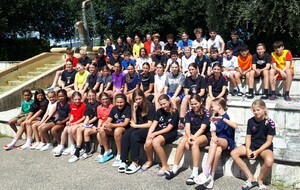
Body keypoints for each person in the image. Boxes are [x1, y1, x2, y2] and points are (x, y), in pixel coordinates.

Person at [165, 94, 210, 185]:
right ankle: (174, 169)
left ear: (201, 102)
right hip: (191, 133)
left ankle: (195, 173)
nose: (194, 106)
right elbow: (187, 128)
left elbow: (202, 129)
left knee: (195, 143)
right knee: (182, 141)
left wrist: (192, 138)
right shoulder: (188, 113)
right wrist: (189, 137)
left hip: (203, 135)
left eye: (196, 104)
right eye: (192, 104)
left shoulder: (206, 113)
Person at [231, 100, 276, 190]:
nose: (256, 112)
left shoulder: (270, 123)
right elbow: (248, 137)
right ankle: (251, 178)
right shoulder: (250, 121)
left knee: (269, 161)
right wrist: (248, 149)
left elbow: (268, 141)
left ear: (264, 109)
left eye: (258, 110)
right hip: (252, 144)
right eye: (254, 110)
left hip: (264, 147)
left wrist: (257, 152)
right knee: (234, 153)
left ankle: (260, 179)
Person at [194, 98, 237, 189]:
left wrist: (222, 118)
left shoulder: (229, 114)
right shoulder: (213, 117)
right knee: (217, 150)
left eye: (213, 106)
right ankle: (211, 176)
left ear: (219, 106)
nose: (212, 108)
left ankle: (206, 171)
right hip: (217, 141)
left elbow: (235, 126)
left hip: (227, 141)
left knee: (214, 142)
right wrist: (213, 134)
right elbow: (213, 131)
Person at [118, 89, 155, 174]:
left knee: (135, 135)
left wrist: (136, 126)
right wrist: (134, 111)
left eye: (140, 99)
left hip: (147, 129)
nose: (138, 101)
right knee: (127, 134)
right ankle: (123, 160)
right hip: (138, 126)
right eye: (136, 99)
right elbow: (134, 122)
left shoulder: (150, 106)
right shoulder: (135, 106)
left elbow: (150, 124)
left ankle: (135, 162)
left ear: (143, 97)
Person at [144, 94, 179, 176]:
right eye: (161, 104)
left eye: (165, 103)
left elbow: (169, 128)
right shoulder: (159, 111)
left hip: (170, 132)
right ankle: (150, 161)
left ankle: (165, 165)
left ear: (169, 101)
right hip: (160, 131)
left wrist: (154, 133)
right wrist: (148, 136)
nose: (163, 106)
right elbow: (154, 124)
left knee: (156, 142)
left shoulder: (175, 112)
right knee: (148, 142)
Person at [98, 94, 131, 167]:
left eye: (121, 102)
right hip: (115, 127)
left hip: (125, 129)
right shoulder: (114, 108)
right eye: (118, 102)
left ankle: (119, 154)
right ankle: (107, 151)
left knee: (117, 130)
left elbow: (125, 123)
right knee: (101, 130)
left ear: (125, 102)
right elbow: (109, 119)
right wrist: (106, 125)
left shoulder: (128, 108)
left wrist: (112, 125)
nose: (119, 104)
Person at [69, 89, 100, 162]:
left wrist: (88, 122)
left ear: (95, 96)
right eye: (89, 96)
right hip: (89, 123)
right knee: (79, 129)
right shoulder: (88, 104)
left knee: (86, 131)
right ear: (87, 96)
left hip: (95, 124)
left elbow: (96, 117)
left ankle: (88, 151)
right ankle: (77, 150)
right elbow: (87, 116)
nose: (91, 97)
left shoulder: (98, 104)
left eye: (93, 95)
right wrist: (85, 123)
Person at [53, 91, 86, 156]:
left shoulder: (84, 105)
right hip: (74, 122)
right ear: (72, 99)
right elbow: (72, 116)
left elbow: (83, 117)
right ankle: (62, 145)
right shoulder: (72, 105)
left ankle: (79, 146)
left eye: (79, 99)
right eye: (75, 99)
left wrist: (75, 123)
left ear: (81, 98)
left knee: (71, 129)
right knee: (66, 129)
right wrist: (70, 122)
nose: (77, 101)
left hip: (80, 122)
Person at [179, 63, 206, 129]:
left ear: (196, 69)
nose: (191, 71)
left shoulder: (201, 78)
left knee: (193, 100)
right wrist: (189, 97)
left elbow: (202, 92)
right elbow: (186, 91)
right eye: (189, 70)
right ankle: (182, 120)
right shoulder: (187, 79)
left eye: (192, 69)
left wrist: (194, 97)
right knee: (185, 98)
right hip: (190, 96)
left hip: (199, 96)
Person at [94, 92, 114, 161]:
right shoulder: (99, 108)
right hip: (102, 124)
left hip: (109, 124)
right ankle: (103, 150)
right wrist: (99, 126)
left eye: (106, 99)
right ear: (100, 100)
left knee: (101, 131)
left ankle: (106, 150)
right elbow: (100, 118)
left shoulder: (112, 107)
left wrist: (102, 126)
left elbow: (111, 119)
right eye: (103, 99)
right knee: (98, 134)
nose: (105, 101)